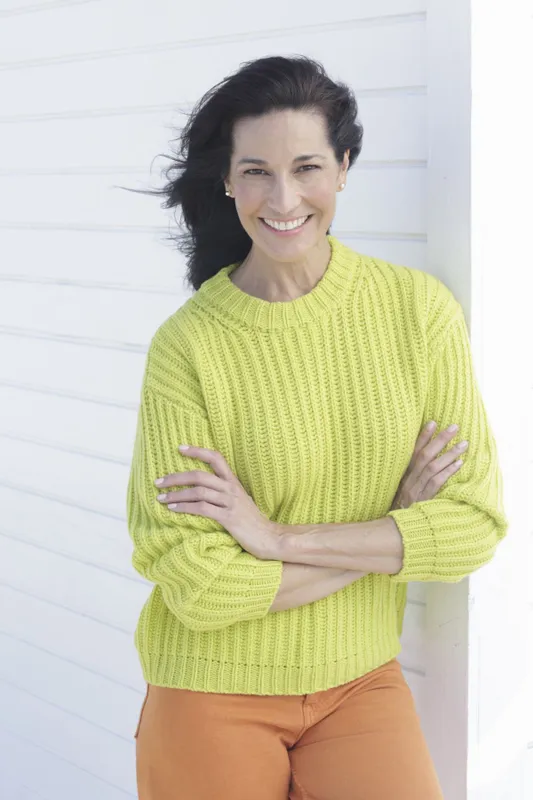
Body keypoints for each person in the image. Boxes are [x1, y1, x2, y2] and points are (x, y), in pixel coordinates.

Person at [126, 55, 508, 800]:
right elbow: (196, 583)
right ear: (228, 182)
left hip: (359, 682)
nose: (283, 197)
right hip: (210, 689)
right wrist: (392, 529)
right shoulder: (190, 345)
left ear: (342, 169)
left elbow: (470, 526)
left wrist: (276, 541)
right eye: (256, 171)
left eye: (305, 167)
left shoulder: (416, 313)